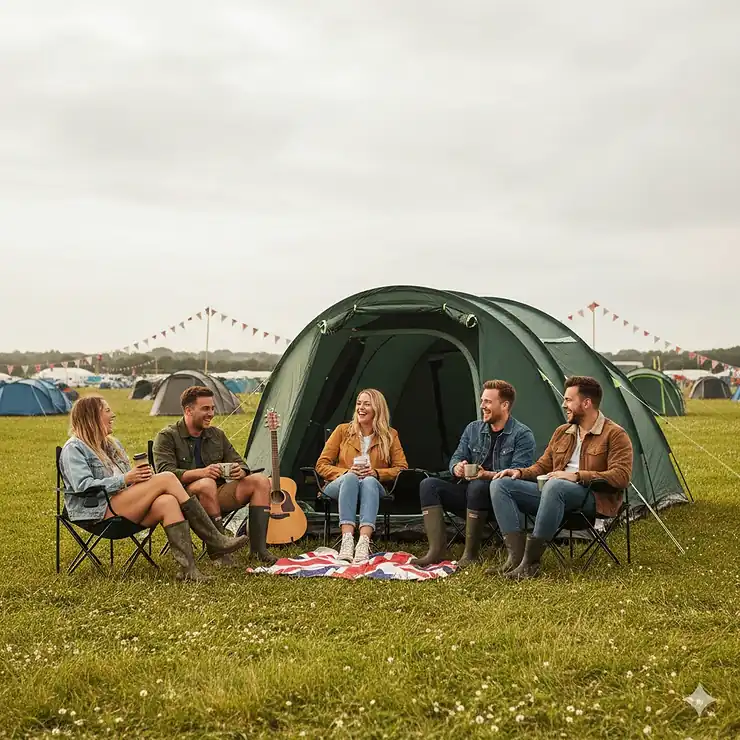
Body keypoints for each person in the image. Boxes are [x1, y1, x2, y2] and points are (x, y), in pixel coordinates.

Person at [60, 395, 248, 581]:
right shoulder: (75, 448)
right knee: (166, 478)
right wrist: (126, 479)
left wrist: (140, 479)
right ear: (92, 416)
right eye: (107, 411)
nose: (113, 415)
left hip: (123, 504)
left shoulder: (112, 444)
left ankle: (188, 570)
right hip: (98, 512)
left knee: (167, 502)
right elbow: (83, 486)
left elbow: (127, 480)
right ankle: (215, 539)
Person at [491, 376, 633, 580]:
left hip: (593, 499)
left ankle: (531, 564)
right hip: (553, 495)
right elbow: (542, 466)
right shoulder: (562, 432)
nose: (563, 404)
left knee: (556, 485)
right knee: (501, 484)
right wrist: (520, 473)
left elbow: (621, 477)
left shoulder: (615, 434)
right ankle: (516, 559)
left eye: (568, 400)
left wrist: (575, 476)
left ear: (586, 403)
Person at [412, 379, 536, 568]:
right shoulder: (473, 429)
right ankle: (435, 552)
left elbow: (517, 476)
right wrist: (457, 468)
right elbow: (456, 457)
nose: (482, 406)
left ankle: (470, 555)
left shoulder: (522, 434)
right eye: (482, 400)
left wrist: (485, 475)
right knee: (428, 485)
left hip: (501, 502)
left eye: (487, 402)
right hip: (470, 498)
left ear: (504, 405)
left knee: (478, 486)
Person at [153, 385, 276, 565]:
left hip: (217, 495)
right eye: (205, 409)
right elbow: (165, 473)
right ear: (188, 410)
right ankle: (219, 551)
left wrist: (239, 471)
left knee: (260, 481)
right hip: (183, 500)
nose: (211, 413)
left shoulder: (216, 435)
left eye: (212, 408)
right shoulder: (167, 436)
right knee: (206, 483)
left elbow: (241, 463)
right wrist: (202, 473)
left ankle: (258, 550)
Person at [316, 388, 408, 563]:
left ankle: (364, 542)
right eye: (359, 403)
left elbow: (402, 468)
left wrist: (377, 473)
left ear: (377, 409)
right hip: (341, 484)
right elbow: (321, 465)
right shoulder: (342, 430)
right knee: (351, 478)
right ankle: (347, 541)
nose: (361, 408)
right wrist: (345, 472)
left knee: (368, 480)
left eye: (367, 404)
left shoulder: (390, 435)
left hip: (372, 486)